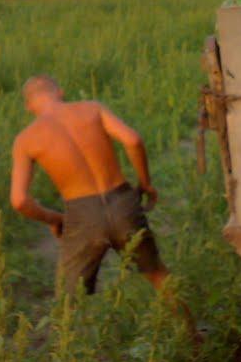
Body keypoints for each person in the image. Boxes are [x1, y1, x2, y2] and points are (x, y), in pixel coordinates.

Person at [9, 74, 172, 297]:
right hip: (122, 201)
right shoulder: (92, 109)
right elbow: (132, 140)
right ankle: (192, 331)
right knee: (156, 273)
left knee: (69, 302)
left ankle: (81, 331)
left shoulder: (26, 140)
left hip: (82, 215)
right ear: (60, 92)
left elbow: (19, 201)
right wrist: (145, 184)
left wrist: (55, 219)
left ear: (28, 106)